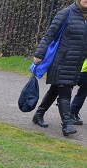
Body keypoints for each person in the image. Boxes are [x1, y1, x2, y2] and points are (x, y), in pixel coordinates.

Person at [32, 0, 87, 136]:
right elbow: (49, 35)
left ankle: (38, 115)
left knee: (55, 90)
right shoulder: (66, 13)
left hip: (76, 63)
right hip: (61, 60)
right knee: (64, 90)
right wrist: (39, 54)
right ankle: (67, 124)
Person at [70, 59, 87, 125]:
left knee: (81, 94)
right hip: (85, 72)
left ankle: (73, 112)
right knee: (81, 94)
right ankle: (72, 113)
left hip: (82, 71)